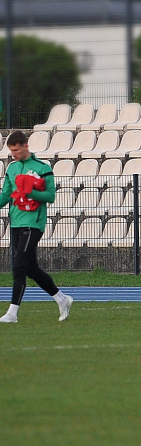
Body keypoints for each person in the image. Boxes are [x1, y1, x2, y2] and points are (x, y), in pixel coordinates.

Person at [0, 130, 73, 324]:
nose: (13, 154)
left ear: (25, 146)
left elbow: (50, 196)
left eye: (16, 150)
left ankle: (12, 313)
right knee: (30, 268)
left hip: (33, 223)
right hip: (16, 221)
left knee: (18, 267)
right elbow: (6, 195)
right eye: (11, 151)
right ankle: (62, 299)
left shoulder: (42, 167)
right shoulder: (12, 168)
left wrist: (30, 191)